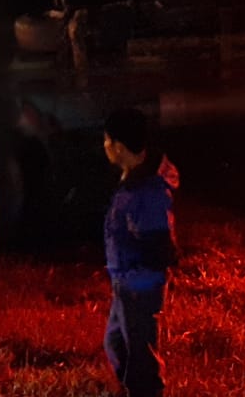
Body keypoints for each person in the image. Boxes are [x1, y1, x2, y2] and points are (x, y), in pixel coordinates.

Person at [102, 107, 180, 397]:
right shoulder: (133, 180)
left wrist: (137, 271)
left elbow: (156, 242)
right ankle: (131, 389)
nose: (105, 147)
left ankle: (145, 391)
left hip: (138, 285)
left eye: (107, 142)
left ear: (120, 148)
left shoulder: (146, 191)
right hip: (127, 281)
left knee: (139, 352)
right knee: (118, 343)